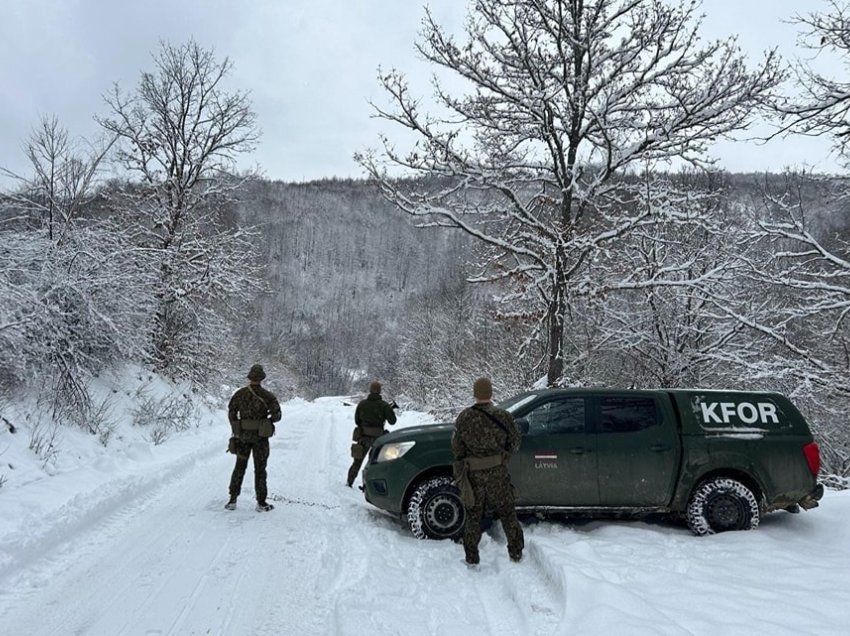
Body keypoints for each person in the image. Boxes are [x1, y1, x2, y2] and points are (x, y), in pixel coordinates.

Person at [451, 376, 524, 565]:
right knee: (508, 512)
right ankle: (516, 552)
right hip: (498, 472)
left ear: (475, 394)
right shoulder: (503, 416)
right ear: (491, 393)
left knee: (474, 515)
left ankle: (472, 557)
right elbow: (515, 443)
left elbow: (457, 449)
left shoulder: (464, 417)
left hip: (473, 475)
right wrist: (503, 454)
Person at [226, 364, 282, 512]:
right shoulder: (268, 396)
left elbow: (231, 412)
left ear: (250, 378)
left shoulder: (239, 394)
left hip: (243, 437)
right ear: (262, 379)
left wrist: (236, 428)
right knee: (260, 469)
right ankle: (261, 503)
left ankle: (232, 500)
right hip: (260, 439)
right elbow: (277, 416)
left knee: (239, 466)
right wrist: (267, 421)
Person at [347, 380, 397, 487]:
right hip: (378, 439)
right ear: (379, 391)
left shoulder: (362, 404)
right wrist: (389, 411)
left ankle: (349, 482)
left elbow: (357, 421)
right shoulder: (384, 405)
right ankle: (368, 486)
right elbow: (393, 421)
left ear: (370, 390)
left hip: (364, 437)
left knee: (357, 461)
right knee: (373, 463)